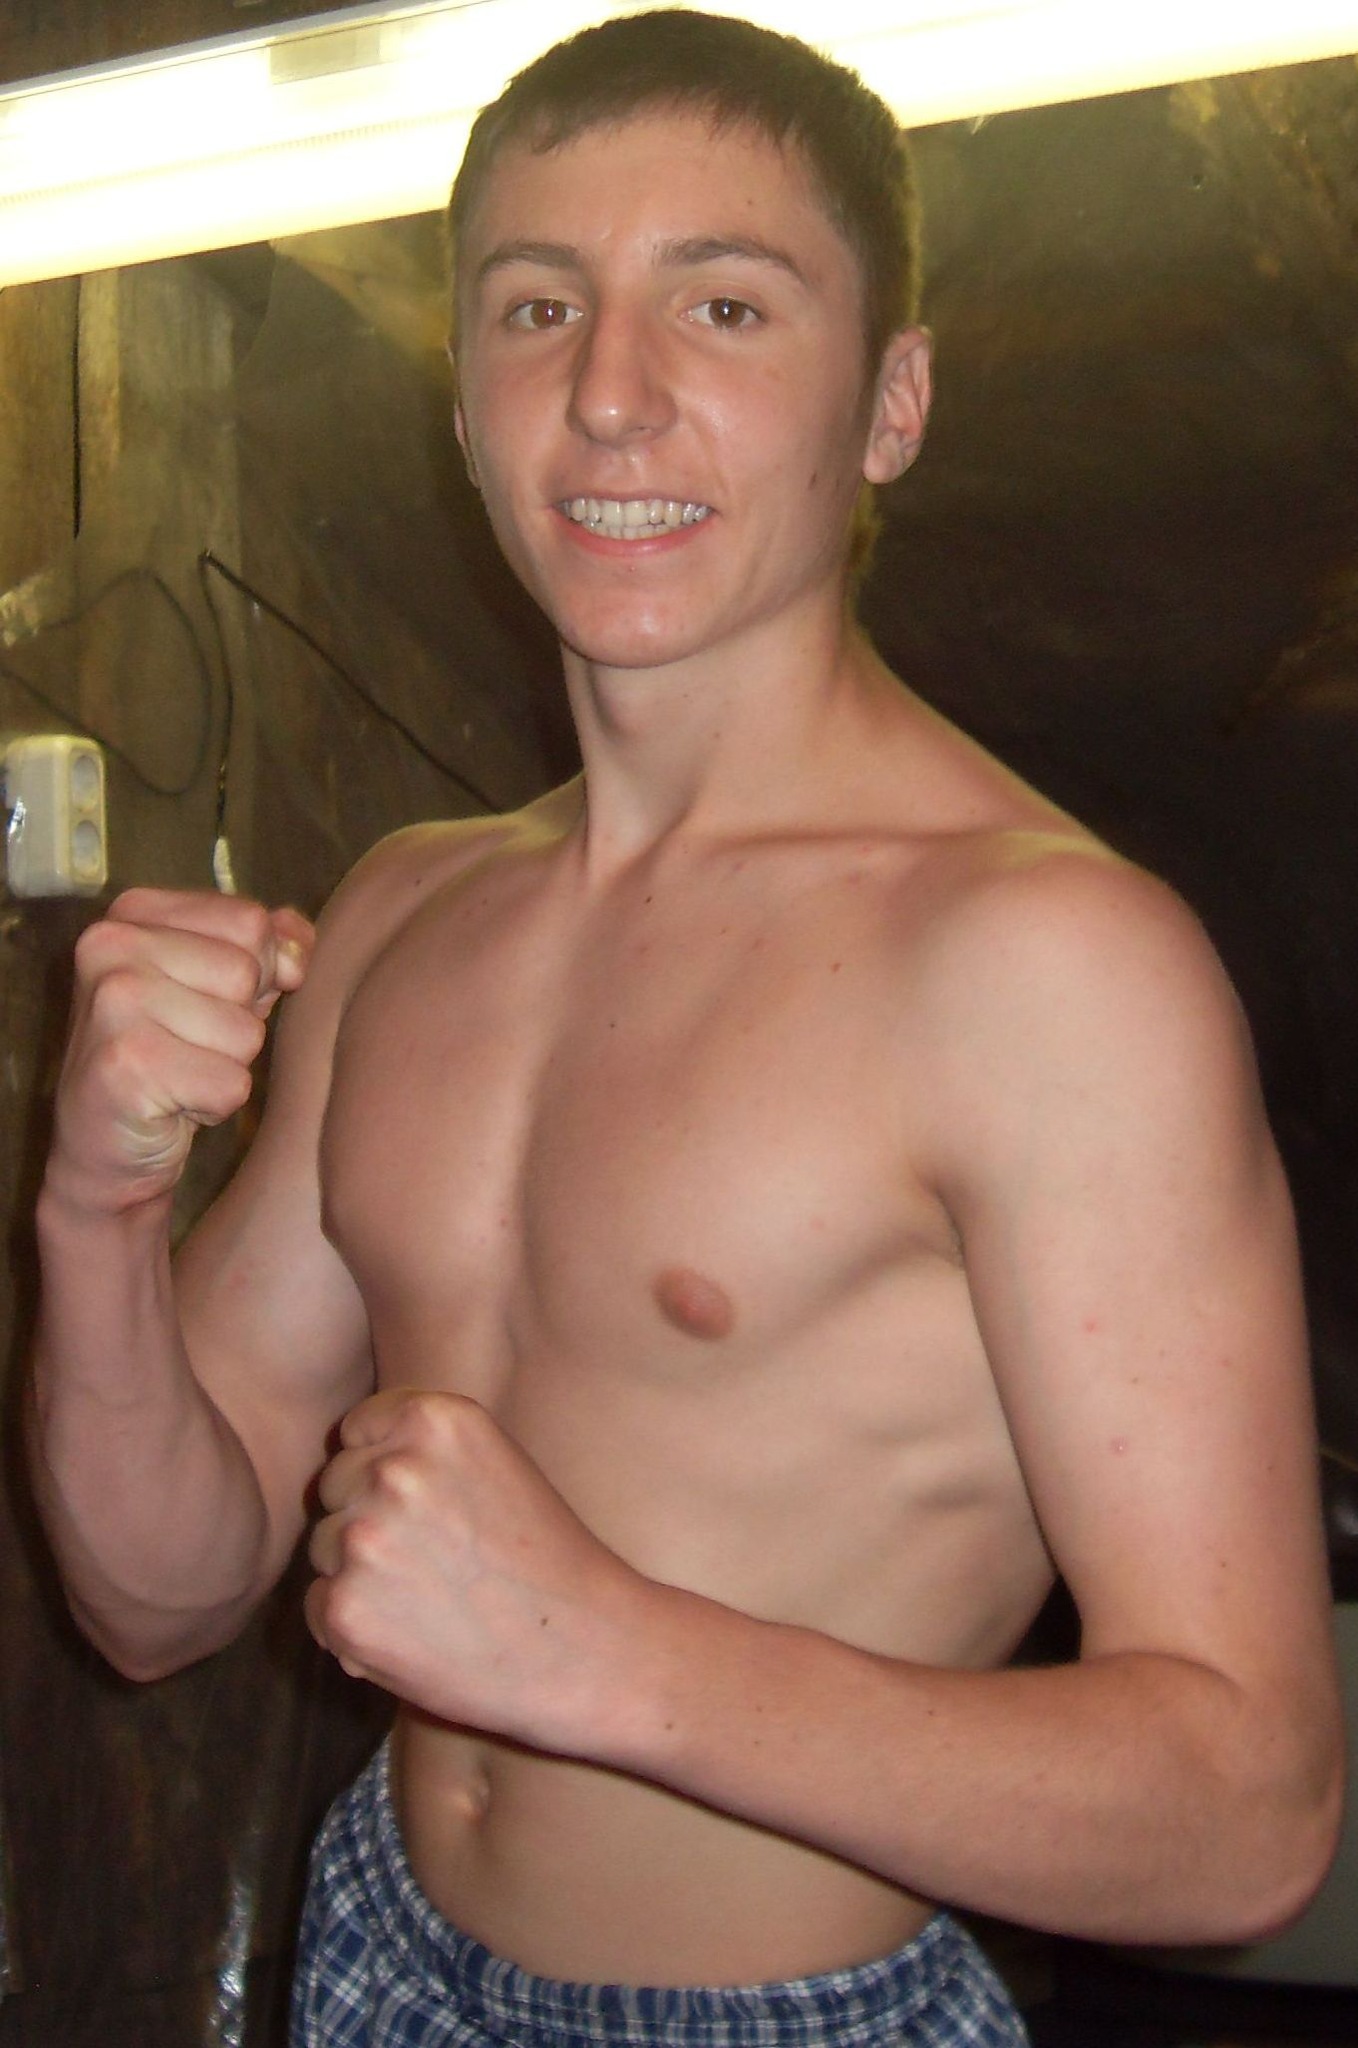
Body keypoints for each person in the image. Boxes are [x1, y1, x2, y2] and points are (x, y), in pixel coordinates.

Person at [28, 11, 1343, 2046]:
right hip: (376, 1945)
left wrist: (599, 1652)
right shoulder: (402, 911)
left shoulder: (1045, 967)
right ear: (463, 409)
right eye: (537, 308)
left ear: (890, 404)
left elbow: (1248, 1813)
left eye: (722, 306)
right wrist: (97, 1211)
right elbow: (153, 1596)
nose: (612, 395)